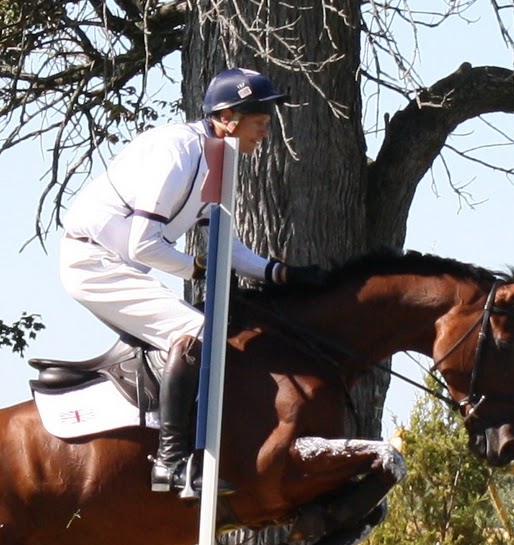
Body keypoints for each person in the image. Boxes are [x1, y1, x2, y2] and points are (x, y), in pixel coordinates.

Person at [59, 67, 327, 496]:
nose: (265, 134)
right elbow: (145, 246)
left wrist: (279, 272)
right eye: (260, 124)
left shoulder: (217, 155)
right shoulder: (177, 153)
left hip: (115, 262)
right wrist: (198, 269)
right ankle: (169, 462)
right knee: (194, 333)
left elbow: (226, 243)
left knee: (200, 334)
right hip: (93, 262)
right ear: (229, 117)